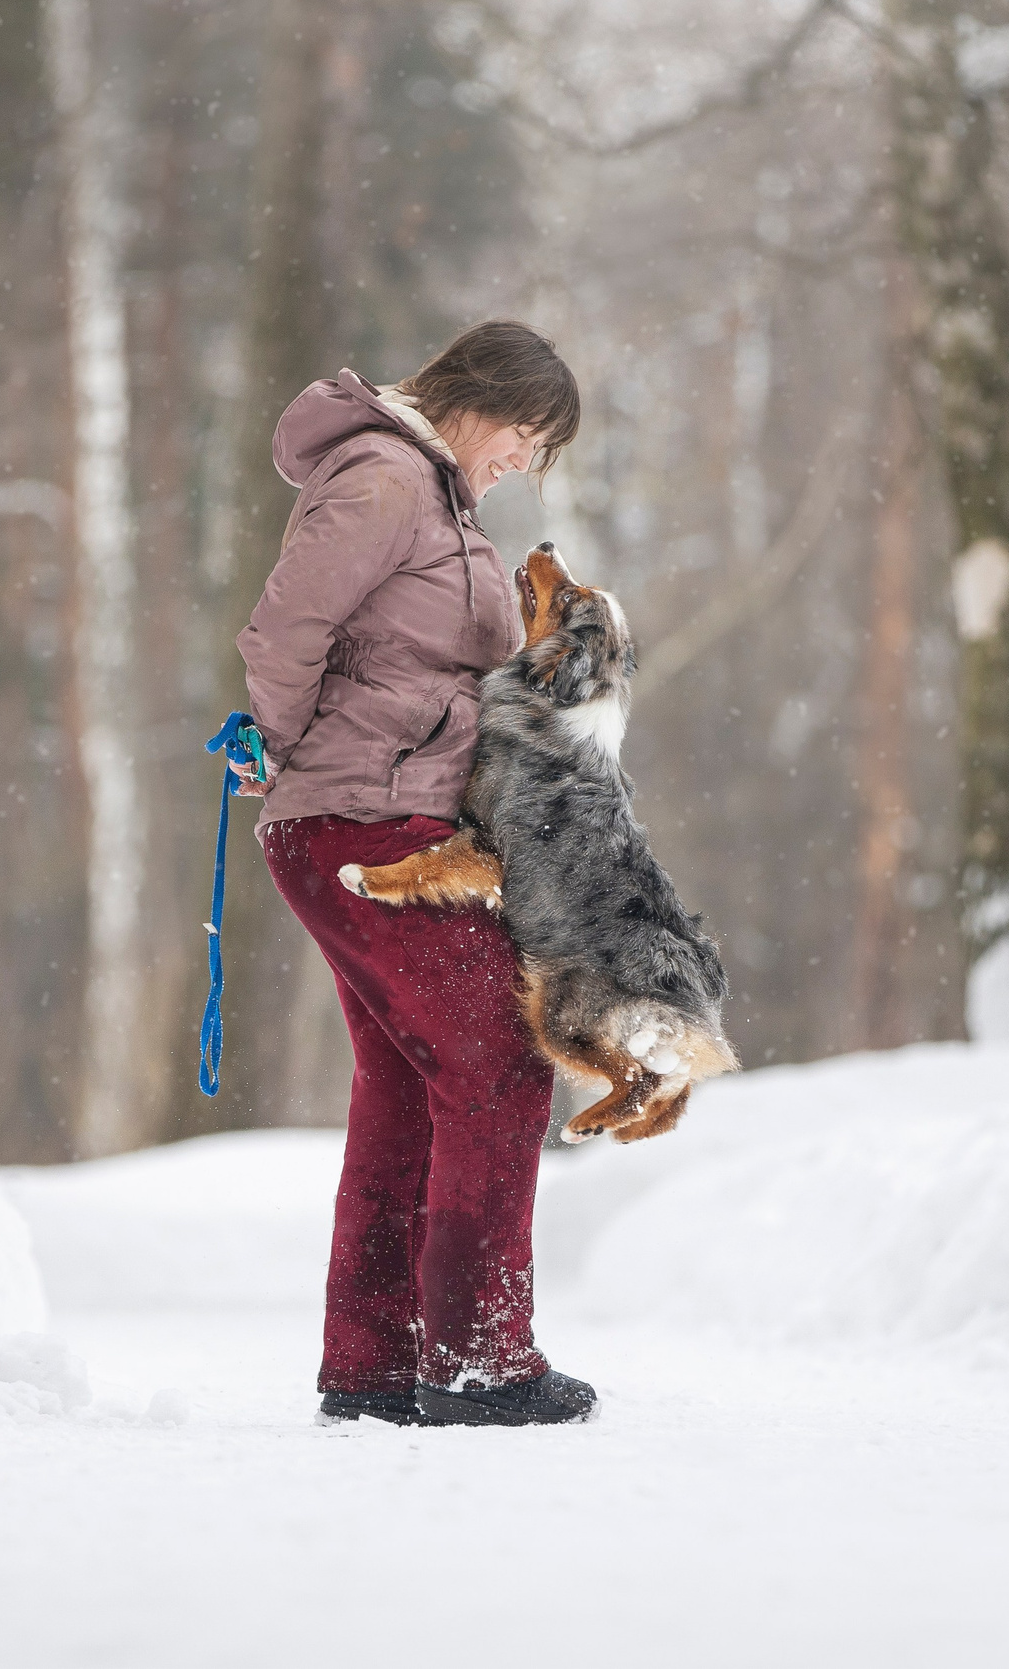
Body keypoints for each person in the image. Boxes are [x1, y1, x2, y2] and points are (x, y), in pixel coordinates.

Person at [235, 319, 595, 1429]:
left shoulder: (432, 498)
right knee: (496, 1061)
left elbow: (405, 657)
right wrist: (288, 749)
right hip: (363, 827)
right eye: (528, 437)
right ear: (479, 398)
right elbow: (284, 630)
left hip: (386, 821)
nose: (524, 465)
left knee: (407, 1092)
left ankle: (375, 1365)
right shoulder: (388, 478)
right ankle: (481, 1360)